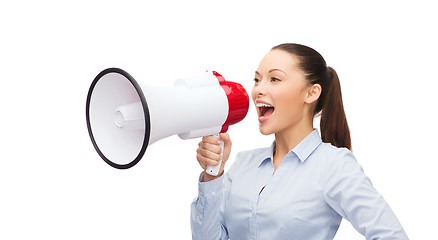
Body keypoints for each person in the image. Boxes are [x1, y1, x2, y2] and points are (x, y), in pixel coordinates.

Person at [191, 43, 408, 239]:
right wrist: (213, 174)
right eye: (257, 80)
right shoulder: (243, 163)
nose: (258, 90)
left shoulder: (334, 165)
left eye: (274, 79)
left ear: (311, 93)